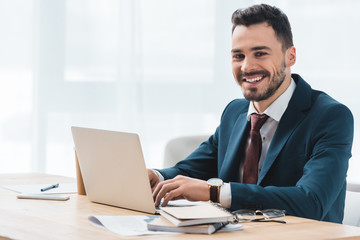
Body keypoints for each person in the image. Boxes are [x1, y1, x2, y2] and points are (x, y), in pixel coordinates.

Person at [147, 4, 354, 223]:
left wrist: (215, 192)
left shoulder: (330, 117)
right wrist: (156, 177)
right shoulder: (234, 112)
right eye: (238, 56)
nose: (247, 67)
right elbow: (192, 169)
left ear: (290, 56)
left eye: (260, 53)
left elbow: (311, 202)